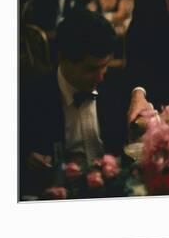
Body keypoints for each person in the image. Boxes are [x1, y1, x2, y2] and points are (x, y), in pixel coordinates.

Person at [20, 10, 127, 198]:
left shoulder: (116, 86)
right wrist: (27, 157)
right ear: (63, 59)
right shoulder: (31, 96)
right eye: (91, 69)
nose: (101, 77)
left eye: (106, 66)